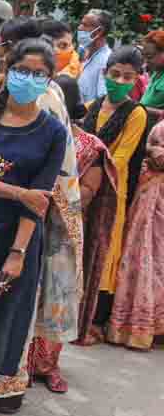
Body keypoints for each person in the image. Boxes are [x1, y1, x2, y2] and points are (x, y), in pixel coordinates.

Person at [0, 18, 83, 409]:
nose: (29, 78)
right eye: (21, 70)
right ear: (6, 63)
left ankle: (3, 386)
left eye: (39, 73)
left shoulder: (51, 118)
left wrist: (20, 249)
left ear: (51, 76)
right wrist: (17, 191)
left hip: (20, 233)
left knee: (9, 312)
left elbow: (44, 190)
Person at [80, 46, 150, 337]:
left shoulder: (136, 114)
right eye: (115, 74)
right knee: (81, 248)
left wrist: (91, 178)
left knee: (104, 251)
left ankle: (95, 317)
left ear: (137, 80)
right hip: (82, 186)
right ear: (105, 73)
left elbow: (119, 158)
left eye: (127, 77)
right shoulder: (93, 106)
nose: (120, 81)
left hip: (112, 190)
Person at [53, 75, 118, 355]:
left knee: (56, 296)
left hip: (63, 230)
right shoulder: (34, 132)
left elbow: (88, 191)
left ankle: (48, 363)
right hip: (29, 223)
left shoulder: (91, 146)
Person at [106, 117, 164, 350]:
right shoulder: (159, 127)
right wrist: (151, 152)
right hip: (151, 197)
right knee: (145, 257)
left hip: (153, 194)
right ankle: (137, 326)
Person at [78, 9, 114, 104]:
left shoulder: (107, 60)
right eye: (81, 24)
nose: (79, 28)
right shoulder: (85, 54)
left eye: (85, 25)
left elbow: (102, 100)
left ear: (99, 31)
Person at [137, 30, 164, 114]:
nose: (146, 61)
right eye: (144, 56)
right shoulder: (156, 72)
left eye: (149, 56)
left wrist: (136, 107)